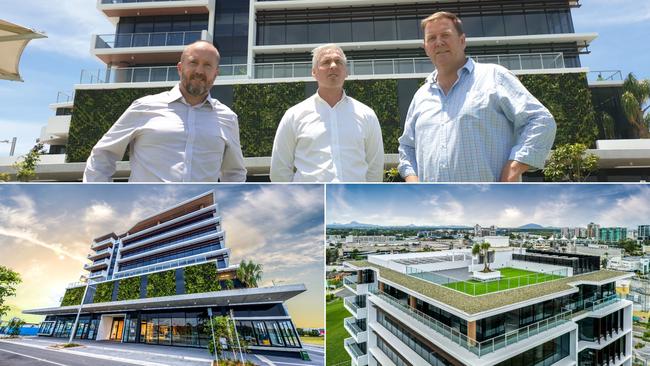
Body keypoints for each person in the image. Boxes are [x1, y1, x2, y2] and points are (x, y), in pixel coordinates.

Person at [398, 12, 556, 182]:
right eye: (431, 38)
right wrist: (413, 183)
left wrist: (514, 167)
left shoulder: (495, 77)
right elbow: (407, 148)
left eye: (445, 35)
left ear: (462, 40)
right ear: (426, 47)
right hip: (433, 205)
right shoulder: (421, 96)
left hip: (492, 202)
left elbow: (541, 120)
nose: (439, 42)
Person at [83, 40, 247, 182]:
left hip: (200, 215)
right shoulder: (144, 106)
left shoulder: (228, 118)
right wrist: (101, 201)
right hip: (144, 214)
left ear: (216, 73)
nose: (199, 71)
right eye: (193, 62)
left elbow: (235, 173)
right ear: (180, 68)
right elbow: (103, 155)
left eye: (207, 65)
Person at [270, 44, 384, 182]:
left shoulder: (367, 115)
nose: (333, 66)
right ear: (314, 72)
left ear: (346, 72)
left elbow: (375, 168)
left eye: (339, 62)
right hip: (310, 201)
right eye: (326, 62)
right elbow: (279, 169)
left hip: (354, 200)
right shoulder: (294, 115)